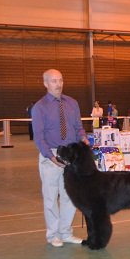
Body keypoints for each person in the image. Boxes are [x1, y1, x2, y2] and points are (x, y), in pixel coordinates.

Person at [31, 69, 87, 248]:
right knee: (50, 197)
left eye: (60, 80)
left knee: (69, 195)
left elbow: (78, 127)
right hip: (51, 156)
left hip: (71, 156)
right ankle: (53, 234)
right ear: (46, 84)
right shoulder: (39, 107)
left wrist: (83, 138)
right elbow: (39, 137)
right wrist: (51, 156)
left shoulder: (72, 103)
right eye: (54, 81)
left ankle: (66, 232)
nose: (58, 84)